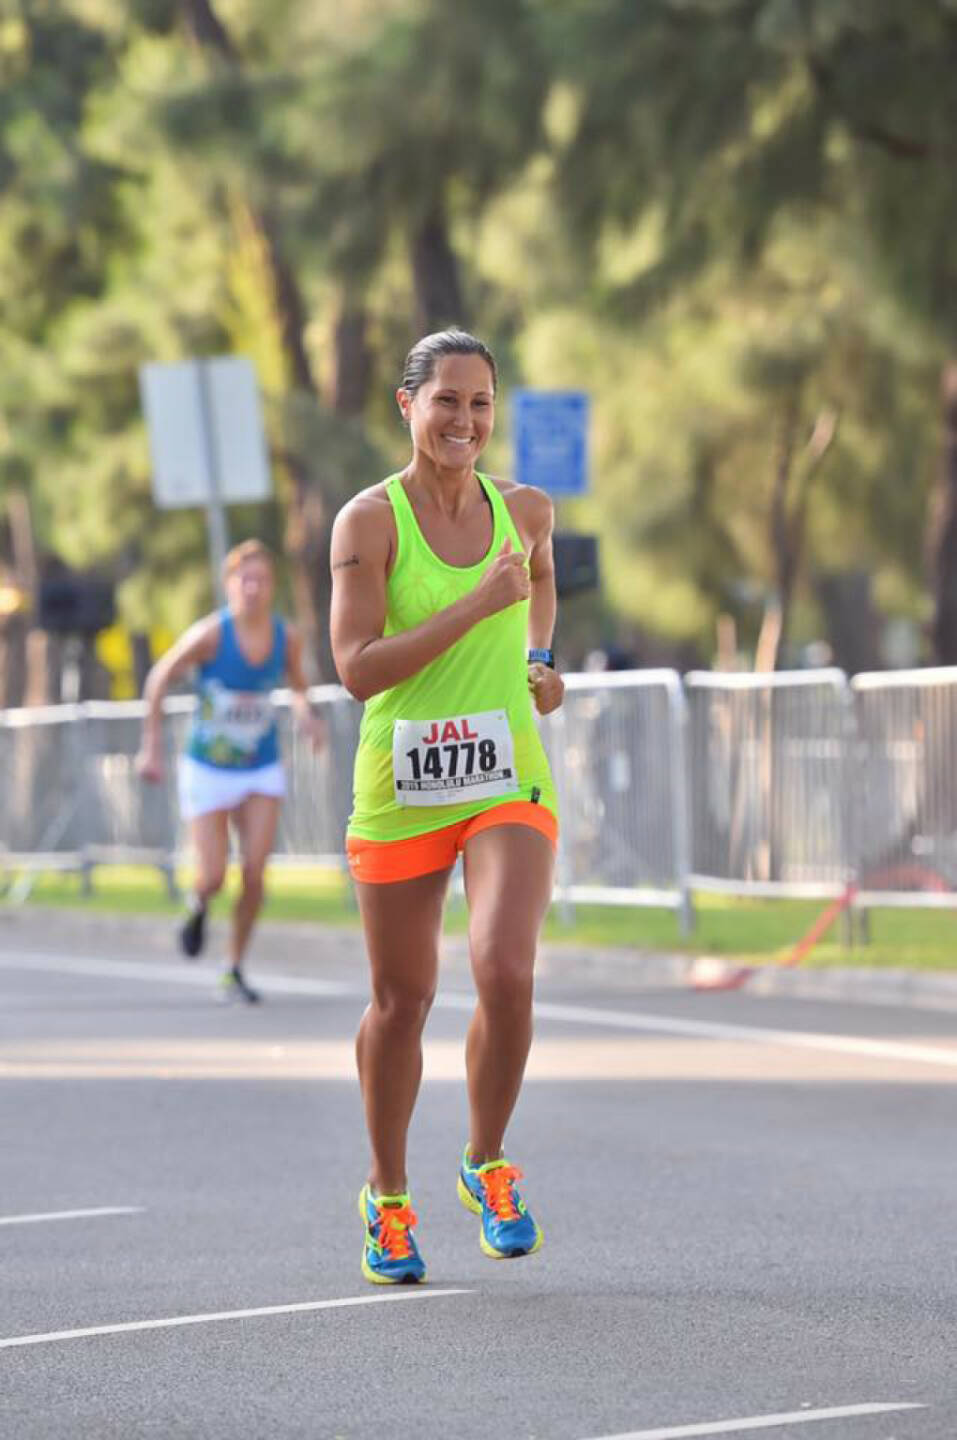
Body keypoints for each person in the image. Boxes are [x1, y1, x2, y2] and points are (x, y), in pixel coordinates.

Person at [330, 329, 565, 1284]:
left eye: (480, 403)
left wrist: (539, 660)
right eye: (446, 402)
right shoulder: (367, 524)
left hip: (507, 770)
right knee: (404, 999)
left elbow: (538, 580)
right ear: (407, 406)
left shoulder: (527, 510)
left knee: (503, 967)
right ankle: (387, 1196)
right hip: (404, 781)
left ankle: (485, 1161)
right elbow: (355, 670)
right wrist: (475, 607)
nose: (464, 421)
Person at [136, 539, 324, 1003]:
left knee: (257, 872)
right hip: (208, 767)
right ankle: (198, 903)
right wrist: (152, 747)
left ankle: (234, 965)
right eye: (245, 579)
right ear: (229, 584)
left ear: (272, 587)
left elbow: (299, 687)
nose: (253, 588)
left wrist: (305, 715)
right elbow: (159, 676)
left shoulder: (287, 637)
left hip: (259, 767)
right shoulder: (211, 635)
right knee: (215, 875)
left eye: (261, 580)